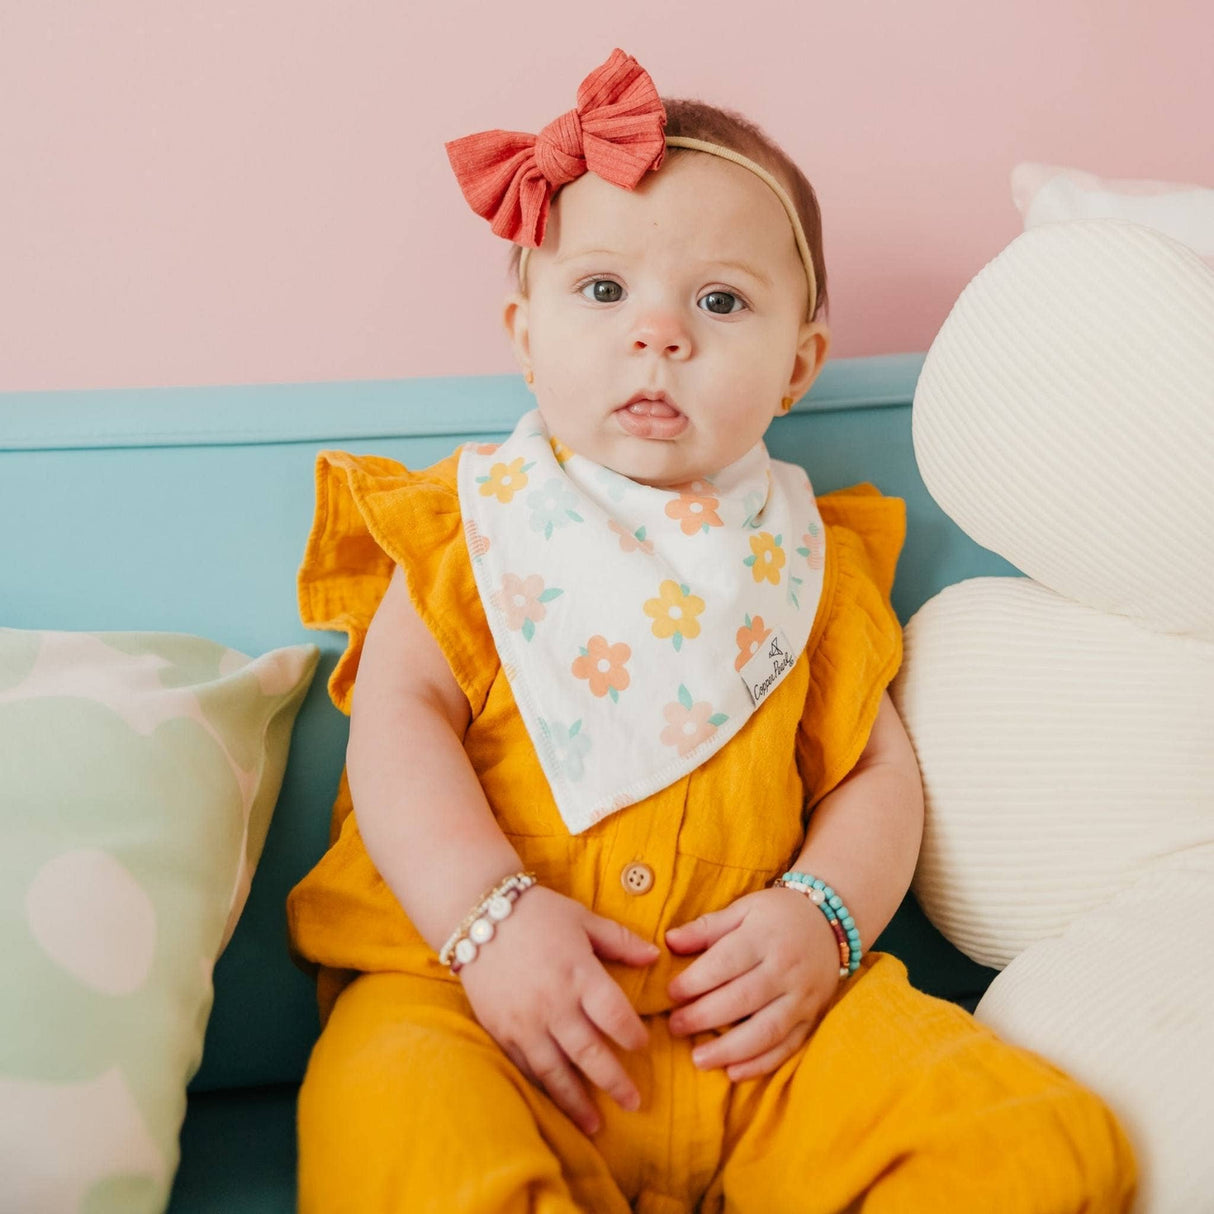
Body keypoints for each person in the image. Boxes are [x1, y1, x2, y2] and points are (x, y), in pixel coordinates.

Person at [286, 48, 1136, 1214]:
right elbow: (398, 721)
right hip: (478, 1007)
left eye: (719, 301)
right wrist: (487, 919)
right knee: (400, 1131)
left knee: (1036, 1144)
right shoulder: (465, 530)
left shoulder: (812, 565)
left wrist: (822, 915)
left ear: (799, 364)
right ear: (522, 331)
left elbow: (875, 772)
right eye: (601, 291)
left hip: (757, 1038)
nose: (658, 336)